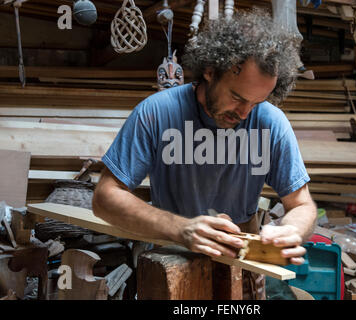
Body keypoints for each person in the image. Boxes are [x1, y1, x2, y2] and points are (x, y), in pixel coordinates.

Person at [92, 9, 317, 299]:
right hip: (172, 254)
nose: (244, 113)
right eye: (237, 97)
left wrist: (291, 231)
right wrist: (181, 228)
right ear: (210, 70)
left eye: (256, 102)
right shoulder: (157, 112)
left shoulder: (270, 122)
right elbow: (105, 197)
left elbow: (303, 205)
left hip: (241, 257)